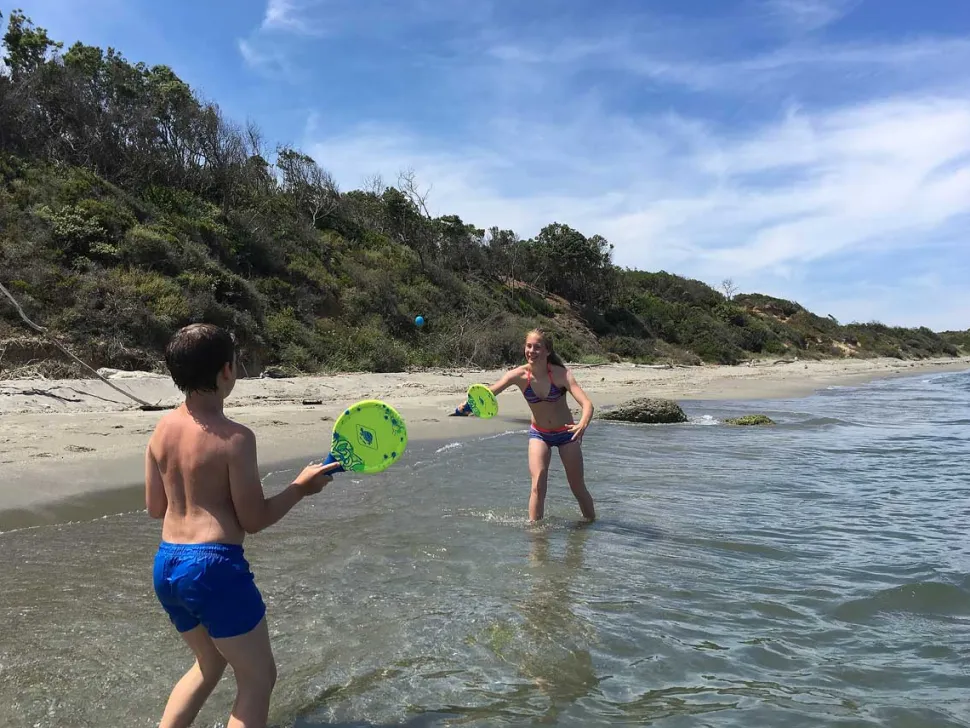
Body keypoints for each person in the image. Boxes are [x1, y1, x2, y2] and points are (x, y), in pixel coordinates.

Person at [145, 323, 333, 728]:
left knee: (209, 663)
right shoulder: (235, 439)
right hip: (212, 568)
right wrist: (300, 488)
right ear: (227, 371)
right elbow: (254, 519)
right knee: (258, 678)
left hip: (167, 565)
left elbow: (155, 507)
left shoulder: (160, 430)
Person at [460, 328, 596, 522]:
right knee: (537, 483)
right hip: (539, 434)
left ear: (548, 351)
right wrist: (467, 405)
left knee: (577, 486)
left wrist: (582, 424)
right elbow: (489, 393)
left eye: (537, 347)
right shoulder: (518, 375)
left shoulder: (561, 375)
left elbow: (587, 404)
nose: (531, 351)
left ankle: (590, 525)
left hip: (567, 434)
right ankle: (536, 536)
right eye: (529, 346)